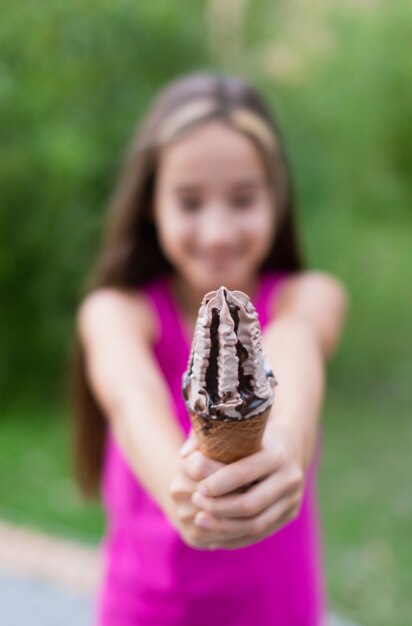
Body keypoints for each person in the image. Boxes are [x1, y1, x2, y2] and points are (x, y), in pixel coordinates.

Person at [70, 71, 348, 626]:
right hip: (145, 606)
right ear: (151, 203)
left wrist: (288, 441)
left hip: (275, 608)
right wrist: (183, 491)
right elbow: (131, 395)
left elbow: (294, 343)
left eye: (243, 199)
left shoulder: (308, 295)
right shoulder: (117, 310)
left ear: (276, 198)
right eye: (190, 201)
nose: (218, 232)